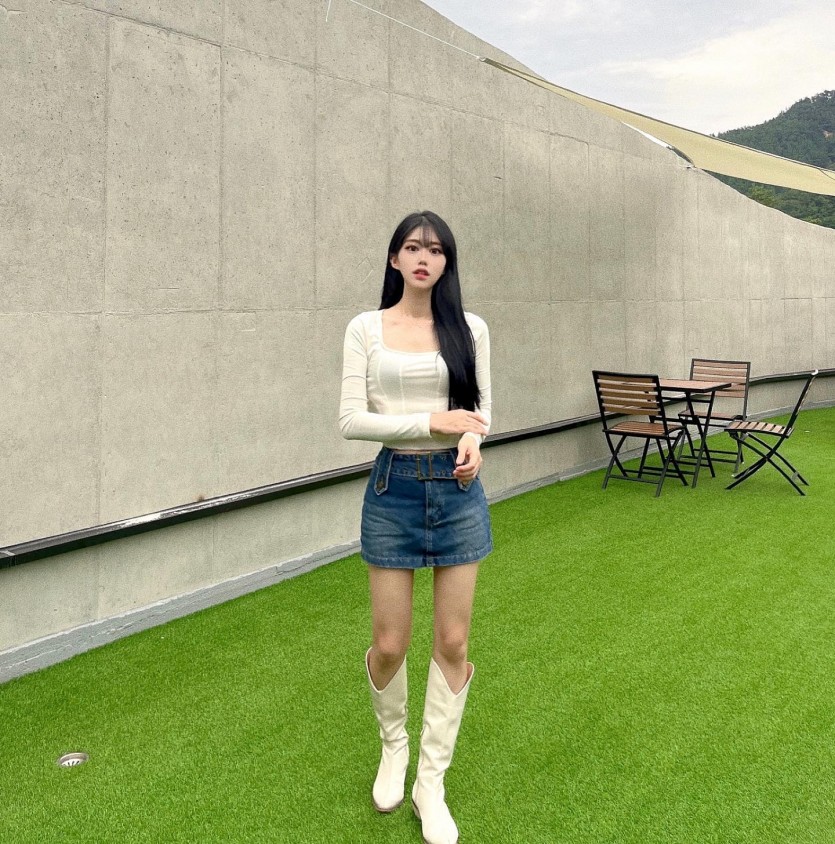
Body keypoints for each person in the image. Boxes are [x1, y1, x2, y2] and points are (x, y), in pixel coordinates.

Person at [339, 210, 492, 844]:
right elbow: (351, 420)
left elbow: (479, 413)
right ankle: (393, 747)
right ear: (395, 259)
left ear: (447, 262)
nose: (424, 258)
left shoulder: (470, 329)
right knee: (391, 643)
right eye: (412, 247)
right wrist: (433, 423)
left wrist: (472, 444)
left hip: (457, 492)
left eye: (435, 250)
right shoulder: (365, 328)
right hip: (393, 489)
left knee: (453, 641)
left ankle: (432, 781)